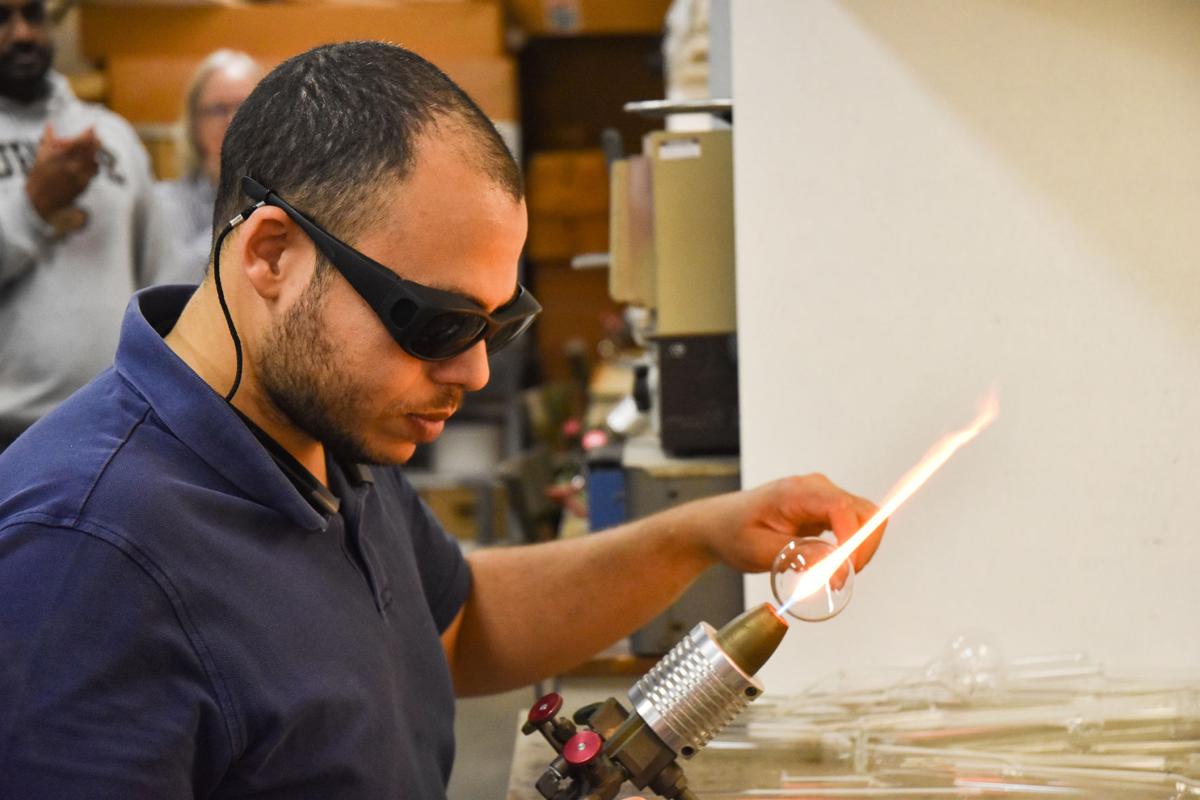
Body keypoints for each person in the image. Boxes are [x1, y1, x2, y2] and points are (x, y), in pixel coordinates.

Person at [0, 41, 885, 798]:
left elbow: (454, 624)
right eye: (437, 322)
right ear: (272, 253)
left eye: (500, 323)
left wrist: (702, 535)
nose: (473, 369)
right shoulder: (82, 560)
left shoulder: (326, 429)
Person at [0, 0, 168, 450]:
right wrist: (33, 207)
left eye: (33, 15)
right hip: (9, 434)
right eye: (2, 18)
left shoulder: (111, 133)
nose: (22, 35)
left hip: (121, 422)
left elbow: (158, 275)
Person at [154, 49, 261, 285]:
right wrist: (237, 197)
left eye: (245, 107)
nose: (233, 121)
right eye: (218, 110)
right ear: (194, 124)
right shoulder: (165, 202)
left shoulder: (293, 193)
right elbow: (173, 284)